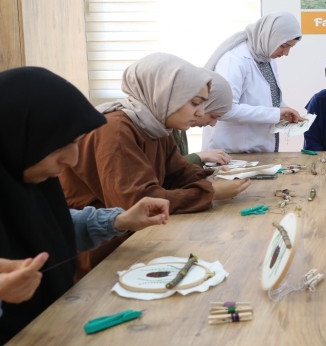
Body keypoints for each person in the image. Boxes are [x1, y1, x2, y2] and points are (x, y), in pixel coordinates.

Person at [0, 67, 171, 342]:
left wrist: (120, 220)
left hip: (54, 327)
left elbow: (55, 226)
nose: (73, 159)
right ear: (14, 135)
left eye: (77, 142)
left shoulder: (29, 178)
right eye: (59, 146)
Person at [60, 53, 250, 275]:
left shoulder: (155, 127)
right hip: (103, 255)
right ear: (165, 94)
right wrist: (211, 192)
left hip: (135, 241)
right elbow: (138, 203)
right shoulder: (116, 129)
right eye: (195, 103)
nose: (200, 112)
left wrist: (215, 177)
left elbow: (178, 173)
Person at [203, 13, 304, 153]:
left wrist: (284, 109)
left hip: (259, 151)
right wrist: (275, 114)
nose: (286, 53)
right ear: (270, 36)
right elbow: (224, 109)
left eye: (290, 47)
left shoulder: (267, 58)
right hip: (231, 152)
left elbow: (269, 97)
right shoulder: (234, 61)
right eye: (284, 46)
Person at [171, 70, 233, 166]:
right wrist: (199, 157)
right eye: (213, 116)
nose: (213, 124)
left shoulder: (179, 127)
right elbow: (164, 169)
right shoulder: (160, 128)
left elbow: (178, 169)